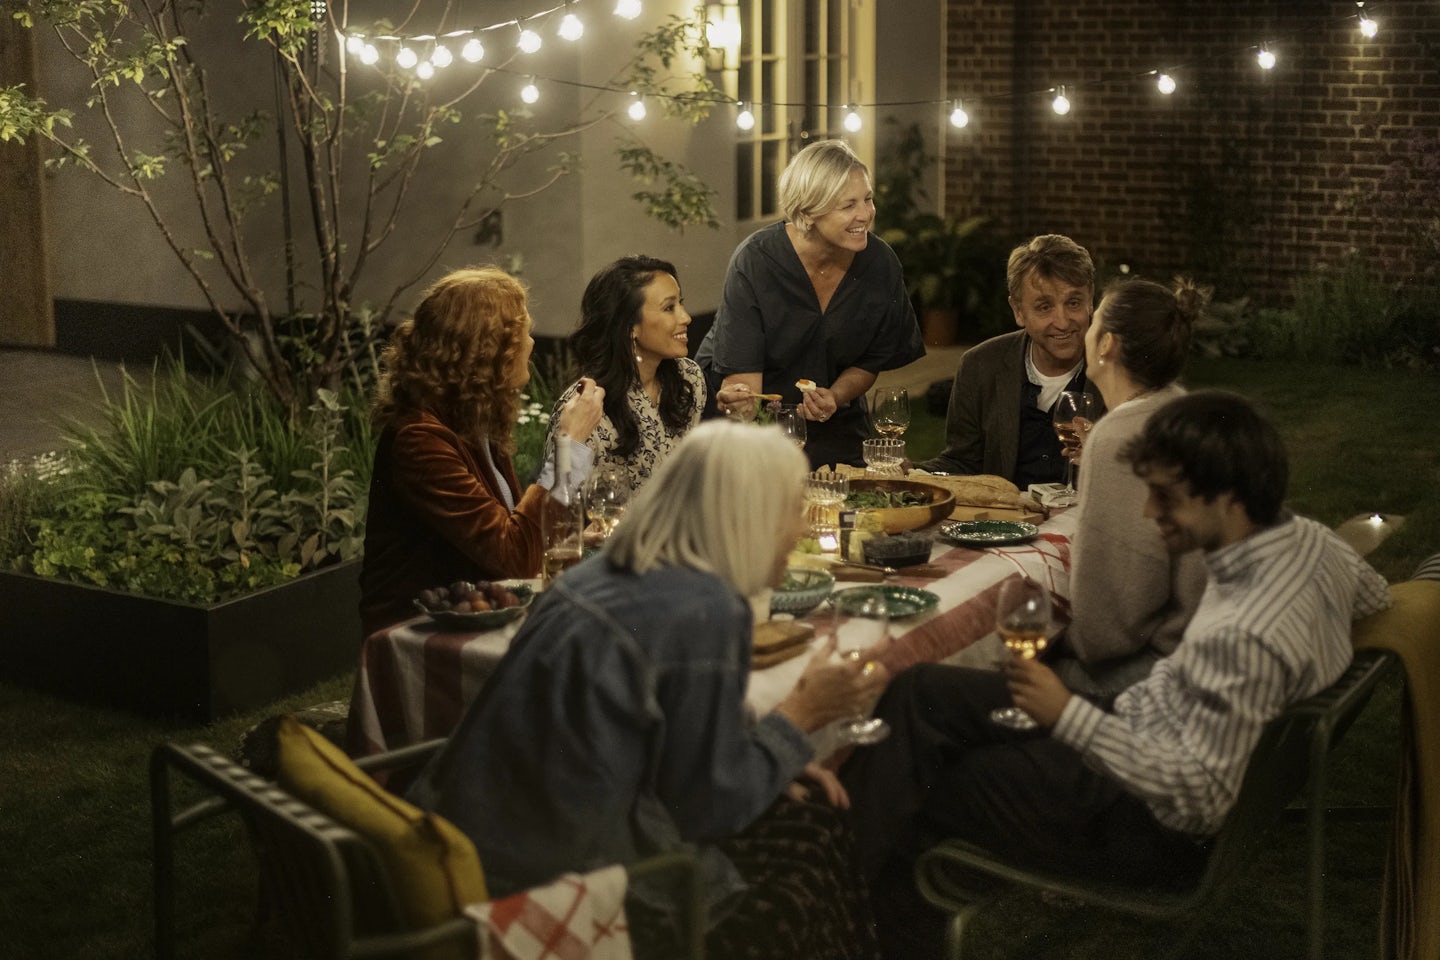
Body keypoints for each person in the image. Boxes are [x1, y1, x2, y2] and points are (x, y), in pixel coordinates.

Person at [842, 390, 1391, 959]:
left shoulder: (1242, 634)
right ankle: (832, 887)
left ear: (1228, 497)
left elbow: (1197, 798)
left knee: (917, 788)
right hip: (1141, 728)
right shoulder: (1311, 542)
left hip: (1141, 820)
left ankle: (836, 918)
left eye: (1166, 497)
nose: (1150, 513)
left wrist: (1068, 713)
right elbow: (1376, 597)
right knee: (918, 691)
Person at [408, 420, 890, 960]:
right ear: (747, 517)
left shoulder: (594, 576)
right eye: (790, 509)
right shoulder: (706, 608)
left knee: (812, 825)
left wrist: (760, 753)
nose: (801, 527)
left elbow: (653, 736)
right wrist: (800, 715)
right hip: (560, 891)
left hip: (485, 843)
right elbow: (706, 809)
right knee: (807, 867)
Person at [358, 266, 604, 637]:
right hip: (418, 630)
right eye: (520, 332)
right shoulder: (420, 439)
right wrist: (569, 447)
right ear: (484, 350)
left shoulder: (473, 420)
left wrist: (569, 538)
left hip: (481, 609)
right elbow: (514, 559)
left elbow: (511, 537)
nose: (532, 342)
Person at [695, 138, 925, 469]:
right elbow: (744, 388)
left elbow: (871, 360)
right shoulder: (756, 262)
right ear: (807, 212)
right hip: (751, 426)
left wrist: (836, 396)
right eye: (848, 206)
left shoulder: (880, 263)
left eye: (868, 199)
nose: (865, 214)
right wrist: (741, 403)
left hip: (832, 422)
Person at [1050, 276, 1211, 697]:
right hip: (1217, 647)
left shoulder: (1119, 437)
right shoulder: (1178, 408)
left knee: (1003, 668)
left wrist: (1051, 642)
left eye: (1093, 320)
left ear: (1108, 345)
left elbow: (1107, 630)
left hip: (1170, 673)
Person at [916, 233, 1103, 487]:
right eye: (1044, 307)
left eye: (1073, 302)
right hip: (1006, 523)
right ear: (1018, 311)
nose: (1062, 322)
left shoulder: (1117, 369)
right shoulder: (980, 365)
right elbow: (962, 463)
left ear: (1090, 301)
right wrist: (914, 475)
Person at [545, 255, 705, 495]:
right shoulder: (584, 406)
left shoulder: (688, 379)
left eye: (680, 304)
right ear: (631, 326)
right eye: (669, 308)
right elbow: (556, 500)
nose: (686, 317)